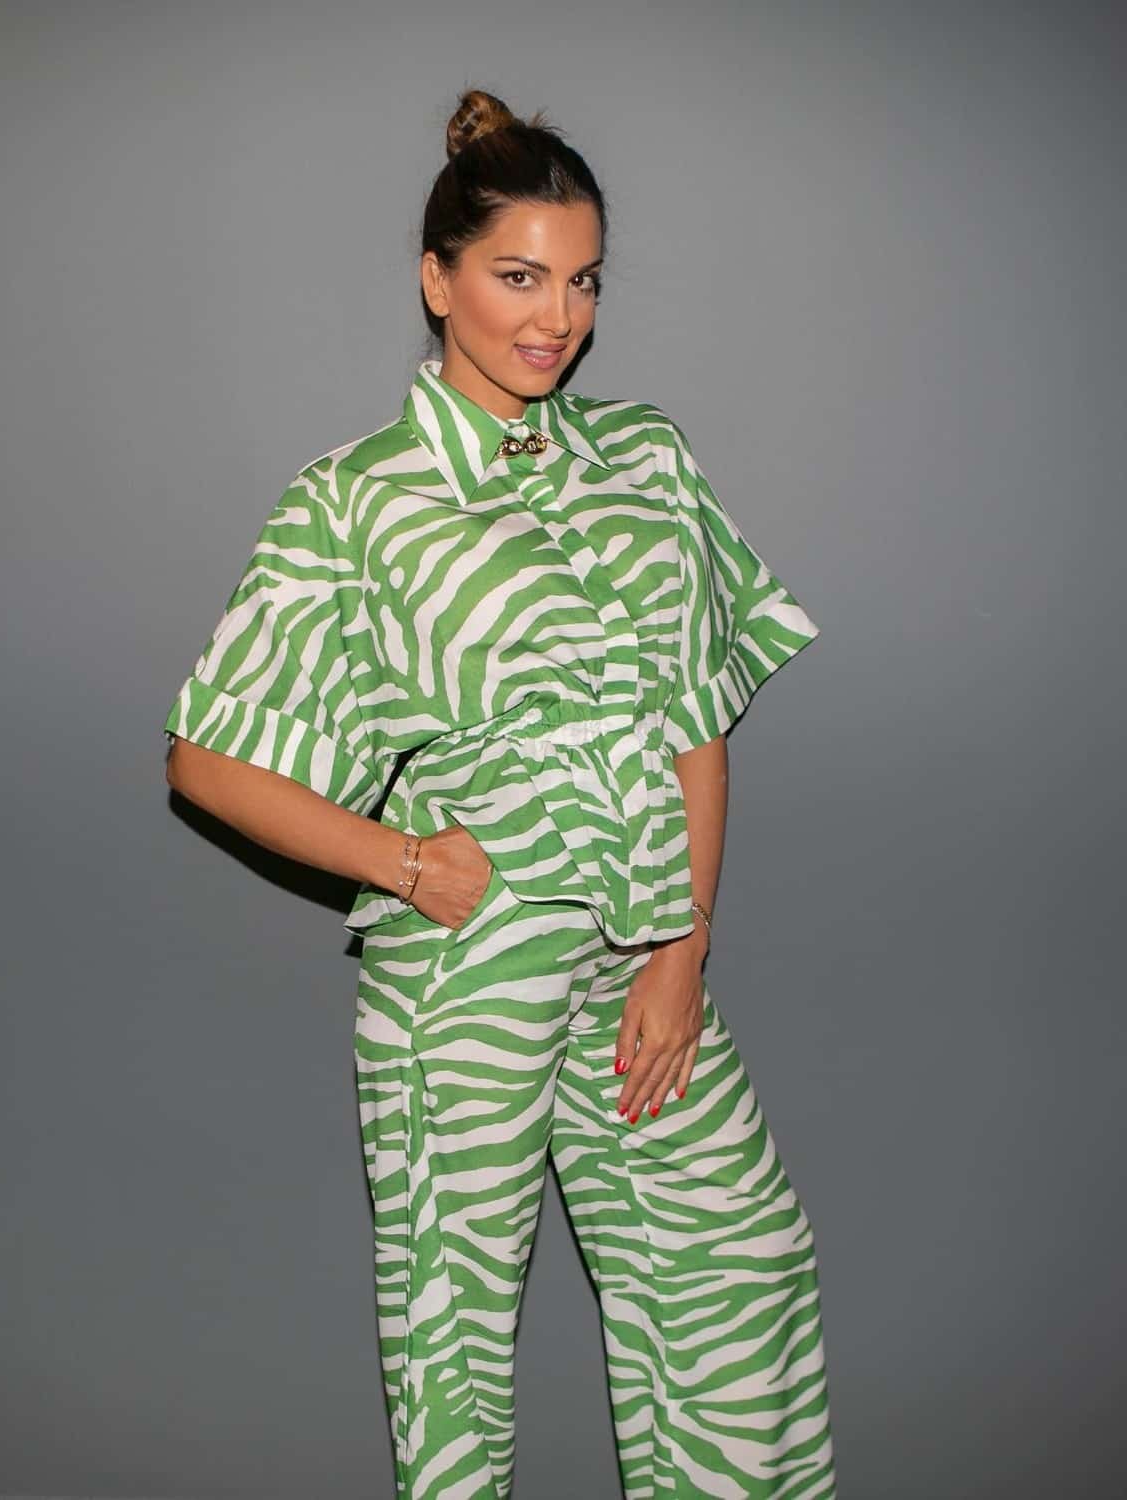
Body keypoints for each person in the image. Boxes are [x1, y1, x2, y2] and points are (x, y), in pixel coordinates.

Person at [162, 86, 837, 1500]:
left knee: (735, 1272)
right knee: (457, 1347)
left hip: (636, 955)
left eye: (582, 281)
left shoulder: (646, 458)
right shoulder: (357, 501)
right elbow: (205, 760)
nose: (557, 317)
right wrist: (407, 864)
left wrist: (682, 947)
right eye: (519, 277)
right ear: (438, 279)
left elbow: (695, 715)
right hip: (464, 976)